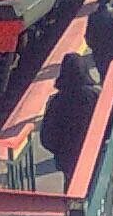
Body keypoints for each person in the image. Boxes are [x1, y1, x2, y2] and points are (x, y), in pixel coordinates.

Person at [40, 52, 101, 190]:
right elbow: (110, 123)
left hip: (68, 159)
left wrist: (60, 150)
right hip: (94, 154)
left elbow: (46, 137)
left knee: (72, 192)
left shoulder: (55, 101)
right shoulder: (96, 96)